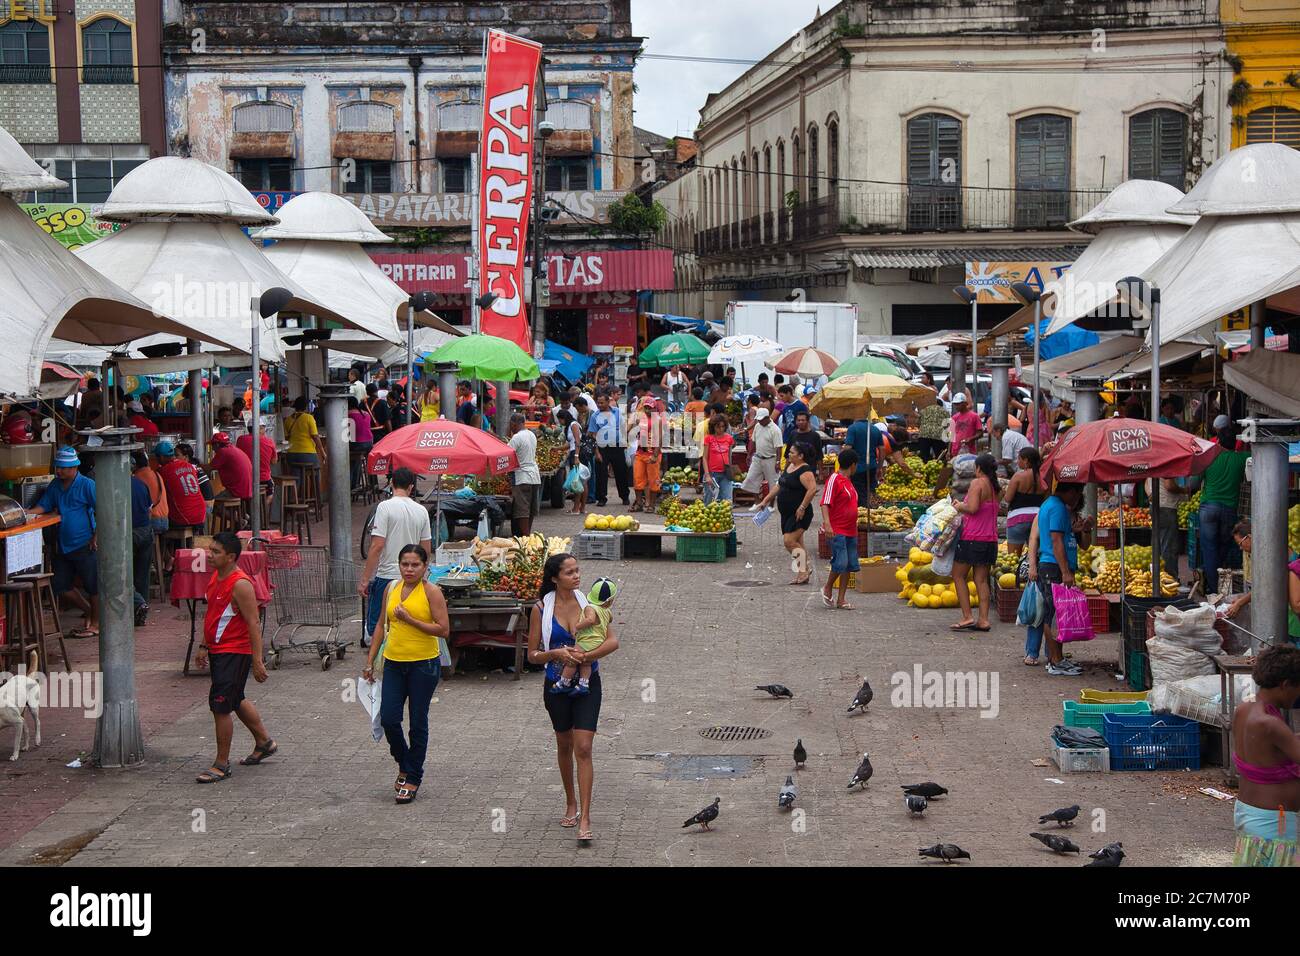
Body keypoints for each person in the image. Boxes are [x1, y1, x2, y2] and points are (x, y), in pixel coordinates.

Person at [527, 553, 620, 843]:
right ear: (555, 578)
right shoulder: (541, 609)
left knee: (584, 747)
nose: (577, 576)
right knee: (564, 744)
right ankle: (571, 802)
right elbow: (532, 655)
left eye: (578, 571)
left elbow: (612, 640)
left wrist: (586, 657)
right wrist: (555, 654)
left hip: (588, 683)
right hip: (556, 684)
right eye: (569, 572)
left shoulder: (589, 604)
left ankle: (586, 818)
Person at [362, 544, 449, 804]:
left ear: (425, 567)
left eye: (415, 565)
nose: (409, 569)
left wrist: (411, 620)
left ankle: (413, 777)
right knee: (389, 718)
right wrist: (369, 661)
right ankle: (404, 761)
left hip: (424, 665)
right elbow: (380, 625)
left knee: (418, 722)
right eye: (405, 564)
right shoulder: (391, 588)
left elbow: (443, 630)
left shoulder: (432, 592)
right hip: (394, 663)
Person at [194, 532, 276, 784]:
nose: (210, 555)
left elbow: (254, 622)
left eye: (216, 552)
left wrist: (257, 660)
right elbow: (213, 615)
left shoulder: (241, 584)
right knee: (235, 698)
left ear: (230, 557)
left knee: (220, 706)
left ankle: (221, 764)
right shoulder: (216, 578)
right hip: (219, 651)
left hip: (234, 652)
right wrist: (203, 645)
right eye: (210, 550)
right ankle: (264, 742)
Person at [1230, 645, 1300, 866]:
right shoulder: (1269, 724)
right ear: (1285, 685)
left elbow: (1270, 752)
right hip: (1273, 822)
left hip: (1251, 815)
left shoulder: (1245, 708)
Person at [28, 446, 99, 638]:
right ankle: (88, 610)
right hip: (63, 545)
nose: (58, 471)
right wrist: (25, 514)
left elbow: (101, 510)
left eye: (63, 468)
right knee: (60, 585)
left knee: (93, 586)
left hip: (85, 543)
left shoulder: (87, 485)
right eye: (57, 467)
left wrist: (96, 536)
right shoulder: (55, 485)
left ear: (74, 467)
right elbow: (43, 506)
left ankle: (96, 624)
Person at [357, 468, 432, 646]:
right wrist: (422, 575)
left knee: (379, 626)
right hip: (412, 578)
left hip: (387, 578)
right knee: (407, 625)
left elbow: (377, 546)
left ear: (391, 483)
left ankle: (378, 665)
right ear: (411, 487)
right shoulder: (421, 511)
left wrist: (365, 579)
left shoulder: (384, 508)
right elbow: (426, 550)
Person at [1026, 481, 1093, 672]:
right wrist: (1065, 571)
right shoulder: (1056, 508)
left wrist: (1083, 529)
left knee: (1058, 614)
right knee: (1053, 615)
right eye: (1078, 492)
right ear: (1070, 491)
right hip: (1053, 567)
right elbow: (1055, 541)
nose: (1078, 497)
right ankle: (1055, 660)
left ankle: (1057, 658)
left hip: (1056, 566)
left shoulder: (1056, 506)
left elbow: (1066, 539)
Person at [758, 441, 818, 586]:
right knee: (798, 543)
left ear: (801, 456)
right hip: (786, 513)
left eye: (792, 453)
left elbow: (812, 489)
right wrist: (765, 500)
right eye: (789, 452)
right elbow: (779, 485)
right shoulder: (790, 466)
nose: (789, 454)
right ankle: (803, 572)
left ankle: (804, 571)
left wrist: (802, 507)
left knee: (789, 542)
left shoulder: (805, 471)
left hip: (799, 514)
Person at [1198, 422, 1249, 593]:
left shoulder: (1209, 458)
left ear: (1218, 441)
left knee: (1209, 548)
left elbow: (1194, 482)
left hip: (1208, 508)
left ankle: (1213, 588)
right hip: (1229, 509)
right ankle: (1218, 582)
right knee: (1224, 545)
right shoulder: (1241, 458)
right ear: (1235, 443)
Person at [951, 452, 999, 632]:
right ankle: (984, 620)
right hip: (990, 539)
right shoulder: (995, 486)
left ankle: (967, 616)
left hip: (973, 537)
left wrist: (958, 506)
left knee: (958, 575)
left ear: (979, 468)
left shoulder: (977, 483)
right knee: (981, 580)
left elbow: (972, 508)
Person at [550, 577, 617, 697]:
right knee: (586, 663)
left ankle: (564, 682)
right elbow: (609, 620)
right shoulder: (607, 611)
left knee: (572, 659)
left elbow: (590, 620)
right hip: (598, 641)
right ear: (610, 601)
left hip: (587, 640)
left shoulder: (590, 608)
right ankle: (584, 684)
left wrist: (577, 627)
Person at [820, 448, 860, 610]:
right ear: (852, 465)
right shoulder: (834, 479)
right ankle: (828, 587)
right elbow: (824, 502)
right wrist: (827, 524)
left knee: (849, 565)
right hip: (837, 529)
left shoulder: (849, 482)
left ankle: (841, 599)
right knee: (841, 562)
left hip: (851, 530)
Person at [588, 389, 630, 507]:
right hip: (602, 448)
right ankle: (601, 498)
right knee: (601, 474)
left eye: (602, 403)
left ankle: (625, 496)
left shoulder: (617, 412)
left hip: (617, 447)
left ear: (608, 402)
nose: (599, 405)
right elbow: (592, 436)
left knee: (621, 472)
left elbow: (623, 426)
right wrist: (597, 453)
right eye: (598, 403)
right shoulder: (595, 416)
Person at [1002, 447, 1047, 556]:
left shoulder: (1018, 476)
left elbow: (1008, 498)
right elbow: (1046, 497)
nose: (1017, 462)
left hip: (1018, 518)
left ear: (1026, 461)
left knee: (1013, 557)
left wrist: (1004, 491)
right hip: (1038, 518)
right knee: (1036, 556)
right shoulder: (1044, 477)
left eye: (1019, 459)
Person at [157, 440, 207, 534]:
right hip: (201, 514)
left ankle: (173, 548)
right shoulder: (189, 466)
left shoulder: (163, 471)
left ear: (161, 457)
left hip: (185, 517)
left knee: (159, 525)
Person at [129, 459, 154, 628]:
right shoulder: (141, 484)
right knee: (142, 574)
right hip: (146, 530)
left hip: (129, 532)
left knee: (121, 575)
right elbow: (149, 510)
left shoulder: (113, 485)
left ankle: (138, 604)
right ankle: (142, 606)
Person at [507, 413, 541, 536]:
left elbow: (507, 453)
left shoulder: (516, 438)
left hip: (522, 477)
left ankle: (526, 537)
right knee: (530, 509)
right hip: (534, 477)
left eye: (510, 425)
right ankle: (527, 534)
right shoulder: (531, 434)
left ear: (513, 424)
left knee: (522, 509)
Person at [207, 431, 254, 519]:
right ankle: (243, 518)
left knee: (212, 505)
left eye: (212, 445)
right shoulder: (233, 449)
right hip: (245, 489)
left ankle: (240, 520)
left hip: (236, 491)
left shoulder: (223, 452)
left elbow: (209, 468)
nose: (212, 449)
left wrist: (197, 464)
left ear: (217, 444)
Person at [629, 397, 664, 513]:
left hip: (652, 454)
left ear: (655, 409)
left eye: (650, 408)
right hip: (640, 452)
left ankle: (652, 505)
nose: (648, 410)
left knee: (653, 480)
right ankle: (639, 503)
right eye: (646, 407)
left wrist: (655, 455)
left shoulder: (658, 419)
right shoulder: (640, 418)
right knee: (638, 479)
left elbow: (659, 438)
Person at [740, 407, 782, 497]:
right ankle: (756, 502)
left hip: (771, 458)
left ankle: (771, 505)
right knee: (751, 479)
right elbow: (753, 441)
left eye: (761, 420)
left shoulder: (775, 430)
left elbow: (779, 447)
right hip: (758, 457)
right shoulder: (758, 426)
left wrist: (778, 462)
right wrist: (749, 454)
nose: (760, 422)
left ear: (767, 418)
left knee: (773, 484)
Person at [235, 423, 277, 501]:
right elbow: (274, 461)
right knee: (270, 495)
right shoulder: (269, 441)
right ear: (259, 428)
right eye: (263, 428)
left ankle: (250, 511)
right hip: (263, 479)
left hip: (245, 479)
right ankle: (262, 510)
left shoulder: (240, 439)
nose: (265, 430)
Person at [285, 395, 326, 474]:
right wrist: (322, 452)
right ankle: (316, 486)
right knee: (316, 470)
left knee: (296, 477)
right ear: (306, 407)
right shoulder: (309, 418)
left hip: (291, 455)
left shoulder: (288, 419)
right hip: (307, 454)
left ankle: (298, 485)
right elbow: (315, 436)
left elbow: (286, 437)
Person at [701, 414, 735, 504]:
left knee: (727, 500)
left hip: (725, 474)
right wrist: (707, 475)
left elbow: (729, 456)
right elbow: (704, 458)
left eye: (723, 427)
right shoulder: (708, 439)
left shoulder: (729, 438)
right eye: (718, 427)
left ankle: (727, 517)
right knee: (710, 501)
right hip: (712, 474)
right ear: (713, 427)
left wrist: (730, 470)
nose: (721, 429)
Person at [347, 396, 374, 490]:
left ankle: (350, 487)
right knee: (356, 461)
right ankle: (370, 485)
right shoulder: (366, 413)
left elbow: (345, 433)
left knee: (349, 461)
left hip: (358, 444)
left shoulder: (348, 414)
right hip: (369, 443)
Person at [948, 393, 982, 457]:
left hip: (969, 451)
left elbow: (980, 433)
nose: (956, 406)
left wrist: (970, 439)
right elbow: (951, 436)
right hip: (955, 451)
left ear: (965, 403)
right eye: (955, 404)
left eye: (958, 404)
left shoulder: (974, 416)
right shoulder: (954, 417)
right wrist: (948, 451)